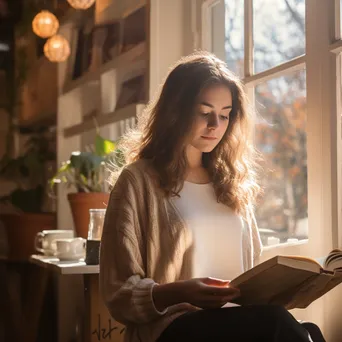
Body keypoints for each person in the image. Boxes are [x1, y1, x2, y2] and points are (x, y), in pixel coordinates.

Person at [99, 52, 326, 342]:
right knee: (279, 325)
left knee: (309, 332)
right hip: (175, 327)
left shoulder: (232, 184)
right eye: (204, 112)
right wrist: (181, 291)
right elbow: (118, 292)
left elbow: (252, 277)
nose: (215, 125)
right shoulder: (138, 180)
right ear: (176, 111)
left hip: (238, 323)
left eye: (224, 114)